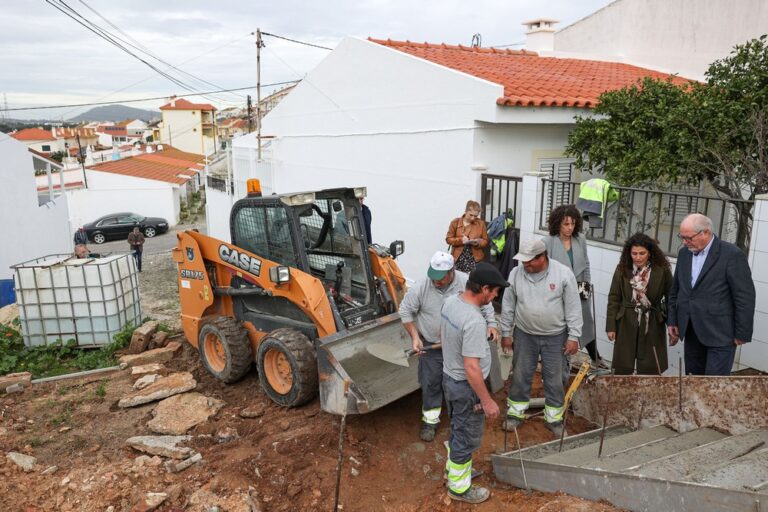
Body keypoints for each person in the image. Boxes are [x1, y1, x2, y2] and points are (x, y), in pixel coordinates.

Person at [399, 251, 499, 442]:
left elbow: (485, 304)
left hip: (459, 344)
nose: (436, 281)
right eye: (433, 276)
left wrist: (492, 324)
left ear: (452, 271)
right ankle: (430, 420)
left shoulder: (466, 282)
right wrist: (415, 337)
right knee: (431, 382)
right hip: (430, 343)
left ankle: (459, 416)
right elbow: (405, 311)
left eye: (441, 277)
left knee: (462, 379)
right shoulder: (422, 286)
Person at [500, 239, 581, 437]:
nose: (525, 265)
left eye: (529, 262)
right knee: (520, 374)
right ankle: (515, 413)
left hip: (555, 336)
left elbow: (573, 307)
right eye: (523, 261)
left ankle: (553, 418)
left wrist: (574, 336)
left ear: (542, 257)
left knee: (554, 377)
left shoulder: (563, 274)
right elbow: (508, 304)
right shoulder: (515, 274)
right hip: (525, 334)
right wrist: (505, 333)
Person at [441, 262, 507, 504]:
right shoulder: (474, 320)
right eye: (495, 291)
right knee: (467, 437)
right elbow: (471, 367)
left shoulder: (451, 302)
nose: (496, 295)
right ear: (484, 289)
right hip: (465, 387)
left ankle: (455, 470)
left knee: (458, 427)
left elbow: (445, 336)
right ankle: (458, 488)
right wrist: (487, 400)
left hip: (449, 378)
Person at [667, 214, 755, 376]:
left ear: (705, 233)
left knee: (714, 387)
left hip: (721, 334)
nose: (684, 242)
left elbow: (744, 297)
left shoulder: (732, 255)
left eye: (688, 238)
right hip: (691, 329)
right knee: (693, 383)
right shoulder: (684, 254)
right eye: (682, 237)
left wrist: (742, 332)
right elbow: (676, 289)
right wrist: (672, 319)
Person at [541, 205, 604, 369]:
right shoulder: (547, 242)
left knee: (586, 324)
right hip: (559, 294)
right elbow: (544, 271)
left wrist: (587, 286)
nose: (570, 228)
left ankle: (596, 358)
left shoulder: (580, 239)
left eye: (573, 224)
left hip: (580, 290)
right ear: (557, 224)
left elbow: (586, 264)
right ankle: (562, 363)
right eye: (566, 224)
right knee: (563, 329)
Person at [606, 233, 673, 374]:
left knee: (650, 367)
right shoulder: (623, 268)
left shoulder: (662, 270)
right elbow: (614, 298)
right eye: (634, 253)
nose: (637, 257)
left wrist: (672, 325)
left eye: (642, 253)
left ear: (650, 253)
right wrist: (611, 326)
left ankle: (649, 393)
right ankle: (623, 392)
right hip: (626, 320)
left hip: (652, 320)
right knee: (622, 366)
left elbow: (670, 298)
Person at [446, 200, 488, 273]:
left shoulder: (481, 224)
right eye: (470, 215)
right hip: (458, 259)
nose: (473, 218)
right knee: (459, 280)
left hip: (475, 259)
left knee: (473, 282)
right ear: (465, 211)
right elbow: (448, 239)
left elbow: (485, 240)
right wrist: (461, 240)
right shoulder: (455, 222)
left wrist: (477, 243)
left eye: (475, 216)